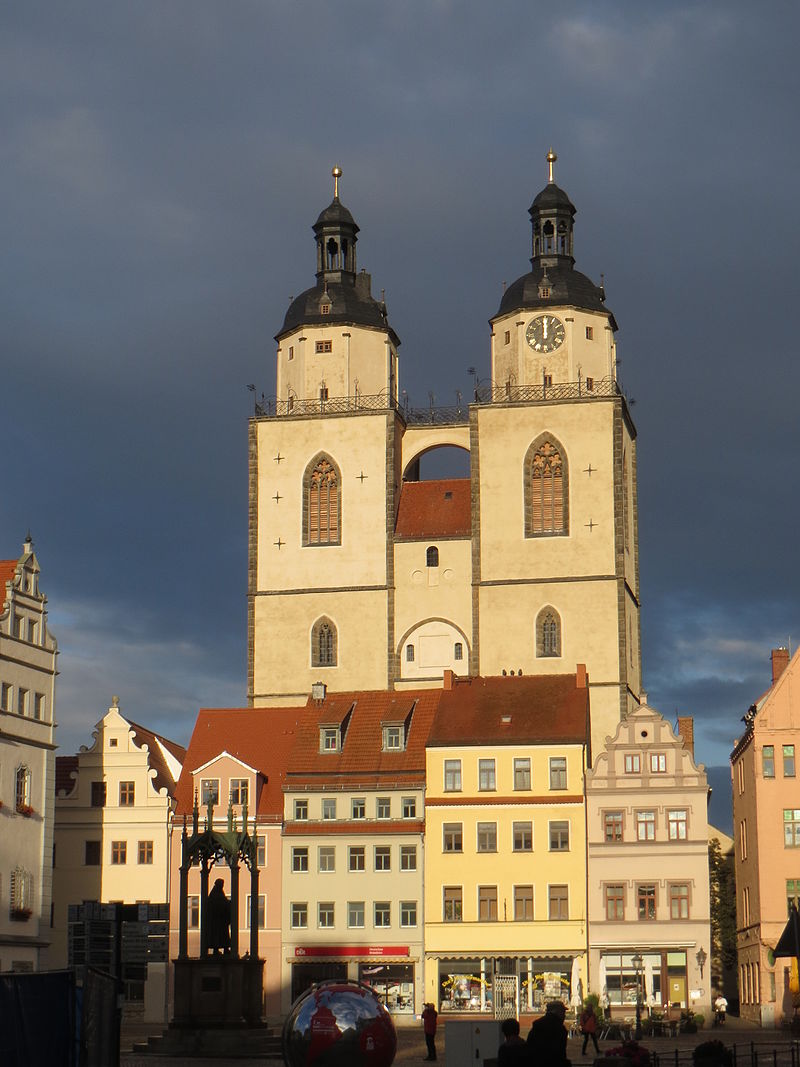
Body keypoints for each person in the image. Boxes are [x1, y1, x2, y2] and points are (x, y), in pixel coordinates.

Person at [527, 1000, 570, 1067]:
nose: (564, 1015)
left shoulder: (538, 1024)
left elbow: (530, 1045)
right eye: (563, 1012)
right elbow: (560, 1052)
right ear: (556, 1011)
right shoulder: (559, 1027)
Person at [207, 877, 231, 955]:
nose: (222, 886)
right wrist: (228, 903)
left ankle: (224, 949)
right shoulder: (216, 894)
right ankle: (218, 949)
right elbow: (220, 903)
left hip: (220, 920)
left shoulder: (216, 893)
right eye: (221, 884)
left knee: (222, 935)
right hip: (218, 920)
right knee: (218, 935)